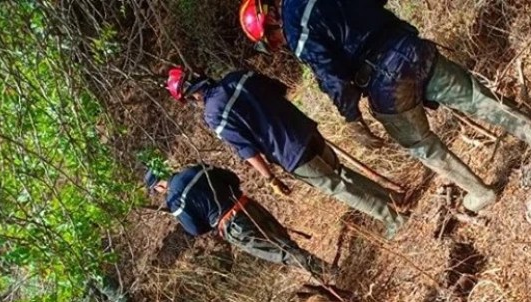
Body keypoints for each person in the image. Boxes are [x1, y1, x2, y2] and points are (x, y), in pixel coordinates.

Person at [238, 0, 531, 213]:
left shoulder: (298, 30)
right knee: (479, 100)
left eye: (273, 40)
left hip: (386, 81)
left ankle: (480, 193)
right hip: (412, 48)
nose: (280, 44)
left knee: (421, 145)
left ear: (271, 23)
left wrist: (352, 118)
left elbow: (332, 78)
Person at [165, 67, 407, 239]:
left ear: (191, 95)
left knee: (336, 186)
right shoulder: (240, 76)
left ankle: (393, 218)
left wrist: (270, 178)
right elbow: (280, 88)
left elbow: (246, 148)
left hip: (289, 151)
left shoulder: (213, 113)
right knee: (340, 172)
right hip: (305, 128)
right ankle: (395, 199)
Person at [145, 163, 330, 276]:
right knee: (284, 242)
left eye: (156, 190)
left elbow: (195, 229)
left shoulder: (174, 200)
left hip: (232, 225)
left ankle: (329, 273)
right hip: (246, 204)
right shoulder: (197, 169)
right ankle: (323, 274)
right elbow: (232, 178)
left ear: (159, 185)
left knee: (279, 252)